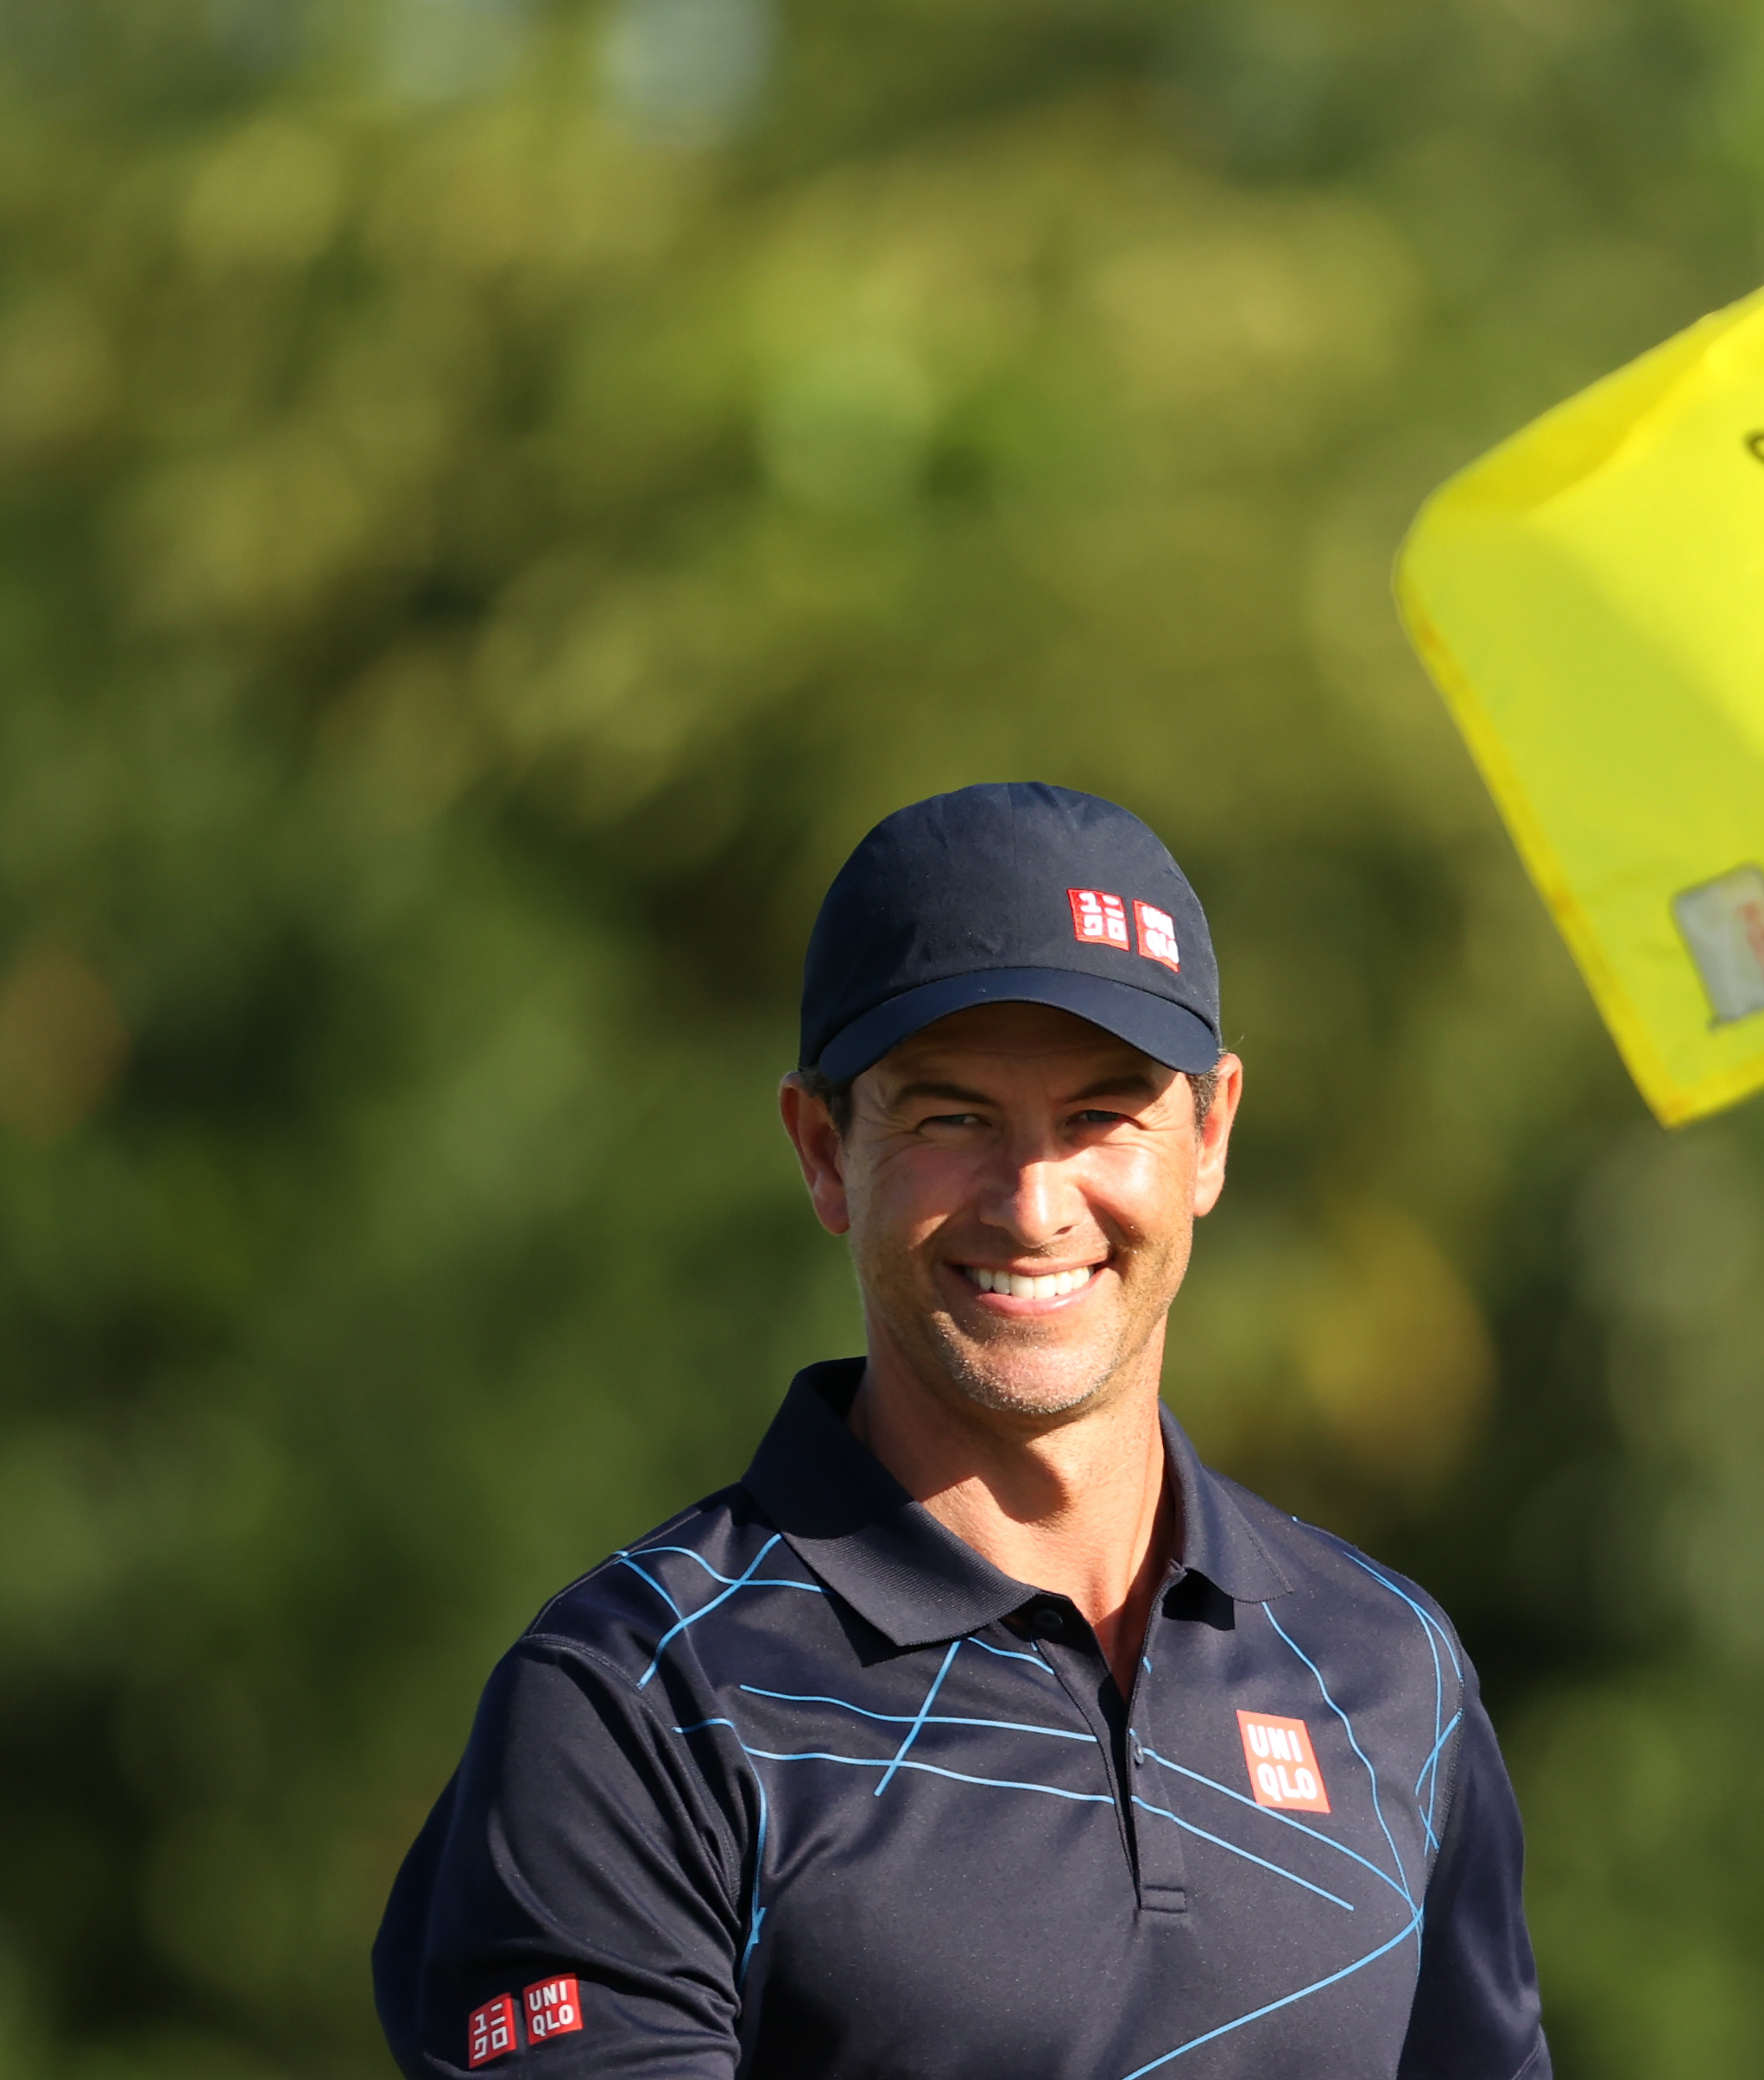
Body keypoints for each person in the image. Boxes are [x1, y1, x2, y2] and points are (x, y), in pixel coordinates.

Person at [374, 782, 1549, 2077]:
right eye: (952, 1119)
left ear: (1208, 1134)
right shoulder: (634, 1701)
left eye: (1101, 1115)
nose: (1034, 1202)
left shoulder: (1389, 1670)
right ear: (824, 1149)